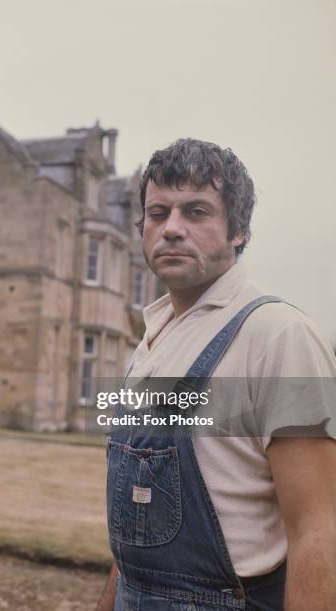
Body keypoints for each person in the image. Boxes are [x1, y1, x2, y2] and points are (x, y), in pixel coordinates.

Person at [95, 139, 336, 611]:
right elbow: (134, 527)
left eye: (197, 212)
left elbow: (319, 526)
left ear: (239, 232)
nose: (172, 229)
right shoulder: (151, 338)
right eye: (158, 213)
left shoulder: (276, 335)